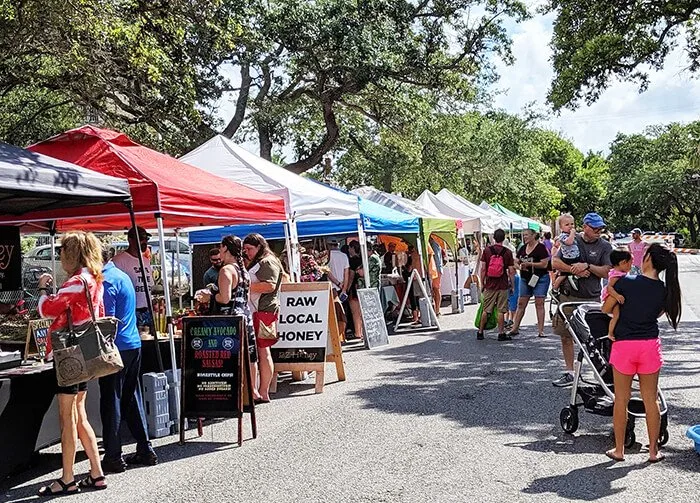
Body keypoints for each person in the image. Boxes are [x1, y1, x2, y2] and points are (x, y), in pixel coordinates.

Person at [36, 232, 107, 495]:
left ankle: (67, 478)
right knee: (80, 414)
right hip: (86, 352)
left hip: (69, 354)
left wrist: (43, 288)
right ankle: (97, 473)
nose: (60, 256)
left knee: (68, 417)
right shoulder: (95, 278)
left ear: (72, 253)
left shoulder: (78, 281)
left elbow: (47, 310)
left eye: (63, 251)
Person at [602, 244, 681, 463]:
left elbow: (606, 308)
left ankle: (619, 450)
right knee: (651, 399)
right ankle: (654, 451)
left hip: (625, 345)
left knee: (621, 399)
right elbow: (657, 313)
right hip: (649, 346)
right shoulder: (665, 290)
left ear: (647, 259)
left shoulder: (626, 282)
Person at [99, 250, 157, 474]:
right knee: (132, 396)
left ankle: (113, 455)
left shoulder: (107, 280)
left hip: (117, 347)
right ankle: (145, 448)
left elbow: (107, 321)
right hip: (132, 343)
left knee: (111, 399)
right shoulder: (121, 275)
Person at [551, 212, 612, 386]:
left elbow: (608, 271)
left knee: (595, 338)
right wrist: (573, 269)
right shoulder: (571, 239)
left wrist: (588, 266)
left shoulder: (605, 246)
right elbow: (555, 262)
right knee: (566, 336)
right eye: (595, 228)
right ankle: (570, 373)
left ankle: (600, 374)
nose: (599, 231)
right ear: (585, 227)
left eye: (601, 228)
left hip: (591, 298)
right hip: (568, 296)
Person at [243, 234, 282, 403]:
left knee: (263, 350)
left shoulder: (267, 261)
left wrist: (244, 286)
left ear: (259, 246)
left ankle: (263, 390)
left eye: (249, 249)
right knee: (261, 350)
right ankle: (261, 389)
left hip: (265, 311)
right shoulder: (264, 260)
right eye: (245, 249)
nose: (247, 252)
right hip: (260, 310)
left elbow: (270, 285)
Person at [509, 229, 551, 338]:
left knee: (539, 303)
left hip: (540, 278)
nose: (524, 237)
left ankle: (541, 330)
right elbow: (516, 261)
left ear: (534, 236)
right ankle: (515, 328)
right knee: (521, 303)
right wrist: (520, 267)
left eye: (527, 235)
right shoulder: (522, 248)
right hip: (525, 278)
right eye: (524, 235)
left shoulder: (541, 248)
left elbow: (544, 264)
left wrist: (530, 264)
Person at [111, 226, 154, 332]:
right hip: (131, 311)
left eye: (146, 238)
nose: (144, 241)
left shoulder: (146, 260)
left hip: (148, 310)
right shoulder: (119, 261)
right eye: (140, 238)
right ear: (130, 240)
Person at [477, 229, 515, 341]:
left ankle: (480, 332)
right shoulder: (507, 252)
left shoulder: (487, 251)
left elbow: (483, 269)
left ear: (494, 238)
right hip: (502, 285)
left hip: (490, 284)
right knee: (501, 310)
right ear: (504, 238)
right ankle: (501, 333)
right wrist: (512, 285)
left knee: (486, 309)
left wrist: (483, 283)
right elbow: (511, 271)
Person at [603, 250, 633, 340]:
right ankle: (610, 333)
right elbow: (609, 288)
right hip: (612, 297)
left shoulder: (620, 273)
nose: (631, 267)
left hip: (617, 297)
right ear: (623, 263)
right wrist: (617, 296)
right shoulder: (616, 275)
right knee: (616, 316)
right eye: (630, 264)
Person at [552, 214, 580, 293]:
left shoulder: (572, 235)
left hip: (575, 257)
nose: (570, 226)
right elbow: (569, 242)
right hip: (568, 258)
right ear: (561, 227)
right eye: (567, 225)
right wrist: (572, 234)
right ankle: (555, 288)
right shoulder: (562, 236)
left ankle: (573, 281)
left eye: (572, 224)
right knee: (563, 275)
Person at [347, 241, 364, 341]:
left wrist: (347, 289)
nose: (349, 250)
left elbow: (351, 276)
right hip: (362, 287)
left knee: (355, 312)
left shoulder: (352, 261)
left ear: (353, 248)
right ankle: (361, 331)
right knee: (361, 311)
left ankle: (358, 332)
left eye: (350, 248)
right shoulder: (363, 259)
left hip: (354, 288)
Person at [429, 237, 444, 316]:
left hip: (436, 268)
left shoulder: (434, 243)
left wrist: (437, 271)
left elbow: (437, 258)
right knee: (434, 289)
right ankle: (435, 310)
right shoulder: (432, 242)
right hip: (434, 268)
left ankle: (437, 310)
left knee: (436, 288)